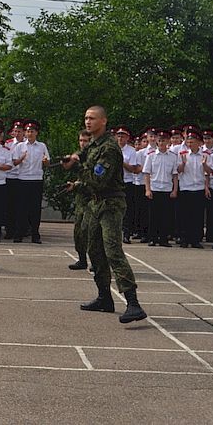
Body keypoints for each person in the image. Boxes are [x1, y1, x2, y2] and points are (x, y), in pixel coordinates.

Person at [64, 106, 146, 324]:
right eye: (86, 118)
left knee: (113, 251)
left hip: (110, 204)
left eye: (92, 118)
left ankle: (133, 303)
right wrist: (73, 158)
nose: (88, 122)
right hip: (95, 203)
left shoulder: (109, 147)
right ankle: (104, 298)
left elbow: (98, 179)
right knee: (94, 251)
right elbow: (83, 154)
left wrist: (77, 166)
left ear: (103, 121)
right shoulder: (94, 143)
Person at [11, 120, 50, 243]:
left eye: (32, 131)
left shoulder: (42, 146)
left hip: (36, 180)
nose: (29, 133)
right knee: (21, 208)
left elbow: (47, 162)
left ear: (36, 133)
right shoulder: (20, 146)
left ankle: (35, 234)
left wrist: (45, 161)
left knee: (35, 209)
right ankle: (19, 233)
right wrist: (21, 159)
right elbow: (14, 162)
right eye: (27, 131)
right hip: (23, 179)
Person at [143, 130, 178, 247]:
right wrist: (147, 189)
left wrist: (175, 190)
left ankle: (163, 239)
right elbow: (147, 173)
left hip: (167, 189)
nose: (161, 143)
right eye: (159, 140)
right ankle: (152, 238)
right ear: (157, 142)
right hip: (155, 188)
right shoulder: (151, 156)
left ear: (168, 142)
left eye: (164, 140)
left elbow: (175, 175)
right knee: (153, 216)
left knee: (166, 216)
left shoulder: (173, 157)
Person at [176, 128, 207, 248]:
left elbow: (208, 173)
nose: (190, 144)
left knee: (197, 216)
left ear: (199, 142)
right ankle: (184, 239)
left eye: (192, 141)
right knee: (185, 215)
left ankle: (195, 239)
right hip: (185, 188)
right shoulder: (183, 155)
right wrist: (183, 164)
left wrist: (205, 165)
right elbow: (177, 171)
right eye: (188, 142)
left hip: (198, 188)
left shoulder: (204, 155)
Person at [66, 129, 93, 269]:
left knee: (90, 231)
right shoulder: (79, 156)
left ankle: (97, 261)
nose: (83, 144)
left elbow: (94, 179)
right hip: (81, 198)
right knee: (78, 231)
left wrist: (77, 184)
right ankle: (82, 259)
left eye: (86, 141)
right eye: (81, 141)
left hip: (93, 199)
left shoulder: (95, 156)